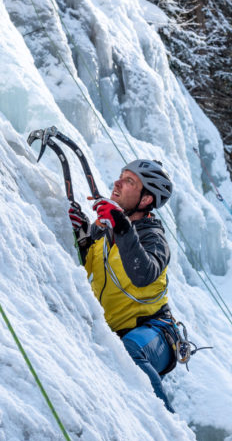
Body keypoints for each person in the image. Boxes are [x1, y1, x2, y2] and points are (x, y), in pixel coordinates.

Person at [69, 159, 179, 412]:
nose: (117, 183)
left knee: (130, 351)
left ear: (145, 200)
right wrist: (81, 234)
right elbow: (89, 265)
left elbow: (144, 273)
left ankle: (167, 429)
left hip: (154, 333)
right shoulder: (105, 229)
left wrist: (121, 226)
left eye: (129, 181)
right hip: (115, 333)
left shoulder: (154, 237)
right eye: (121, 176)